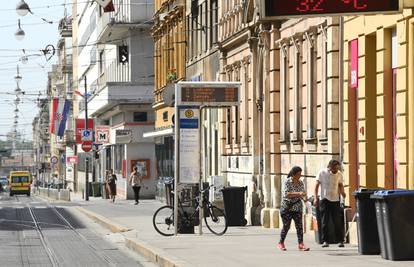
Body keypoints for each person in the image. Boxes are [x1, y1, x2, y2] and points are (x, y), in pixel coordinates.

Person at [314, 159, 346, 248]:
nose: (336, 170)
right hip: (324, 199)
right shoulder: (322, 173)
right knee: (325, 221)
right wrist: (316, 198)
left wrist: (343, 193)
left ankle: (340, 240)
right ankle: (325, 240)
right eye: (334, 168)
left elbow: (340, 184)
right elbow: (316, 185)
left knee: (337, 221)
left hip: (335, 199)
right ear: (330, 167)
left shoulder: (339, 174)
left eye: (337, 168)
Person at [277, 166, 309, 251]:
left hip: (297, 207)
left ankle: (301, 244)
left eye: (300, 174)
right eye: (298, 174)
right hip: (287, 207)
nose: (300, 176)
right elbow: (287, 194)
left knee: (299, 226)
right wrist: (299, 193)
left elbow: (303, 193)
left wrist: (305, 198)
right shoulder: (287, 182)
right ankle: (281, 243)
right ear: (293, 174)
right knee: (286, 226)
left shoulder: (301, 183)